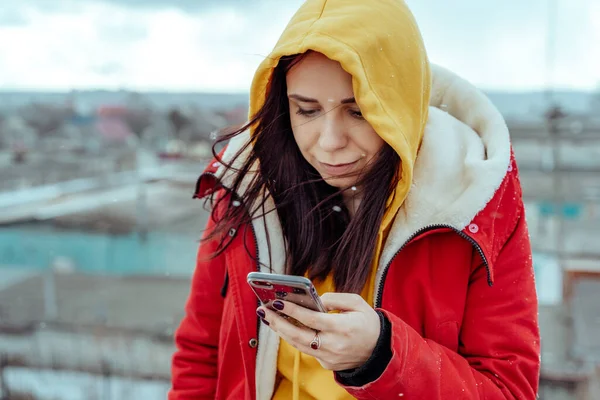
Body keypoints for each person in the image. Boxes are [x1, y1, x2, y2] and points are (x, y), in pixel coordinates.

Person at [169, 0, 541, 399]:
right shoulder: (247, 188)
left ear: (400, 107)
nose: (330, 142)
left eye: (360, 112)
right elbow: (201, 356)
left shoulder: (471, 200)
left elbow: (509, 390)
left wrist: (382, 356)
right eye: (307, 110)